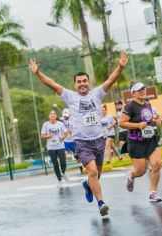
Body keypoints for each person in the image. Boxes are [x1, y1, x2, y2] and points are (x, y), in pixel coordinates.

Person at [29, 51, 129, 216]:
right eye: (79, 82)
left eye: (84, 81)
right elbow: (52, 84)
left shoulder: (97, 93)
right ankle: (101, 203)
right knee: (92, 172)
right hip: (82, 142)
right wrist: (38, 73)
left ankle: (88, 185)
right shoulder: (70, 96)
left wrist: (120, 67)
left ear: (89, 82)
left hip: (99, 140)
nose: (82, 84)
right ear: (74, 84)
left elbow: (111, 80)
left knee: (97, 173)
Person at [119, 81, 162, 202]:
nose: (143, 91)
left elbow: (148, 121)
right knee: (141, 171)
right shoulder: (129, 107)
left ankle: (153, 193)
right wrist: (137, 125)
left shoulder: (147, 104)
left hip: (150, 139)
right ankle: (131, 175)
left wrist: (155, 122)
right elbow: (121, 123)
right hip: (136, 142)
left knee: (157, 164)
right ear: (133, 93)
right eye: (139, 90)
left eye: (144, 89)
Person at [41, 110, 68, 187]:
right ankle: (59, 181)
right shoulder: (46, 125)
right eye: (51, 114)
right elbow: (42, 136)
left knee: (63, 162)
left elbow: (66, 133)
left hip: (60, 146)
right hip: (51, 147)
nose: (53, 115)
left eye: (54, 114)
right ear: (49, 116)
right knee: (55, 164)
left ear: (56, 116)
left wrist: (62, 137)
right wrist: (48, 136)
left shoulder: (60, 124)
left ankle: (63, 172)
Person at [61, 108, 83, 173]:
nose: (65, 117)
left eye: (66, 115)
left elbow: (76, 130)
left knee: (76, 154)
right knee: (64, 154)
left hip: (72, 140)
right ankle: (63, 169)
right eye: (64, 115)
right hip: (65, 141)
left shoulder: (73, 120)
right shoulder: (61, 120)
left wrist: (71, 131)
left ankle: (80, 164)